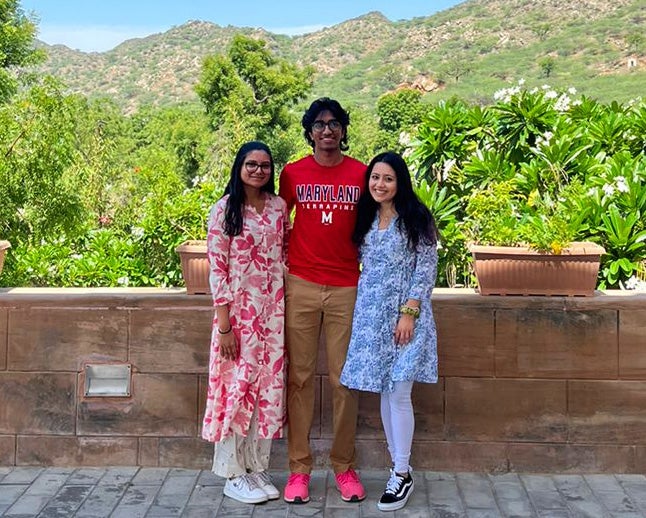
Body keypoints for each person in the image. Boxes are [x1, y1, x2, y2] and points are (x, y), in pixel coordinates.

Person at [278, 97, 367, 504]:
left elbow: (375, 227)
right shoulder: (293, 173)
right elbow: (277, 223)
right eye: (319, 123)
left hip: (347, 286)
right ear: (309, 131)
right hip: (301, 284)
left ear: (344, 130)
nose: (327, 130)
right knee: (298, 378)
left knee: (343, 382)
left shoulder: (362, 175)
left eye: (334, 123)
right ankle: (299, 470)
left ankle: (343, 466)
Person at [340, 151, 439, 512]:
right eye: (375, 178)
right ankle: (399, 468)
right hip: (371, 315)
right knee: (385, 390)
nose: (380, 184)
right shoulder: (366, 217)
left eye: (388, 178)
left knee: (399, 392)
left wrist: (409, 312)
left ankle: (401, 471)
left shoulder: (415, 218)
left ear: (401, 182)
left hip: (405, 317)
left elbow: (426, 268)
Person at [201, 141, 289, 505]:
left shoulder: (279, 207)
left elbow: (285, 255)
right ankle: (232, 473)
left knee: (266, 392)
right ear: (239, 166)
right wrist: (224, 327)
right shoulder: (224, 210)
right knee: (235, 391)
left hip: (273, 317)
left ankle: (256, 466)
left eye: (265, 165)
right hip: (237, 318)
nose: (258, 170)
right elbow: (217, 271)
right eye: (251, 164)